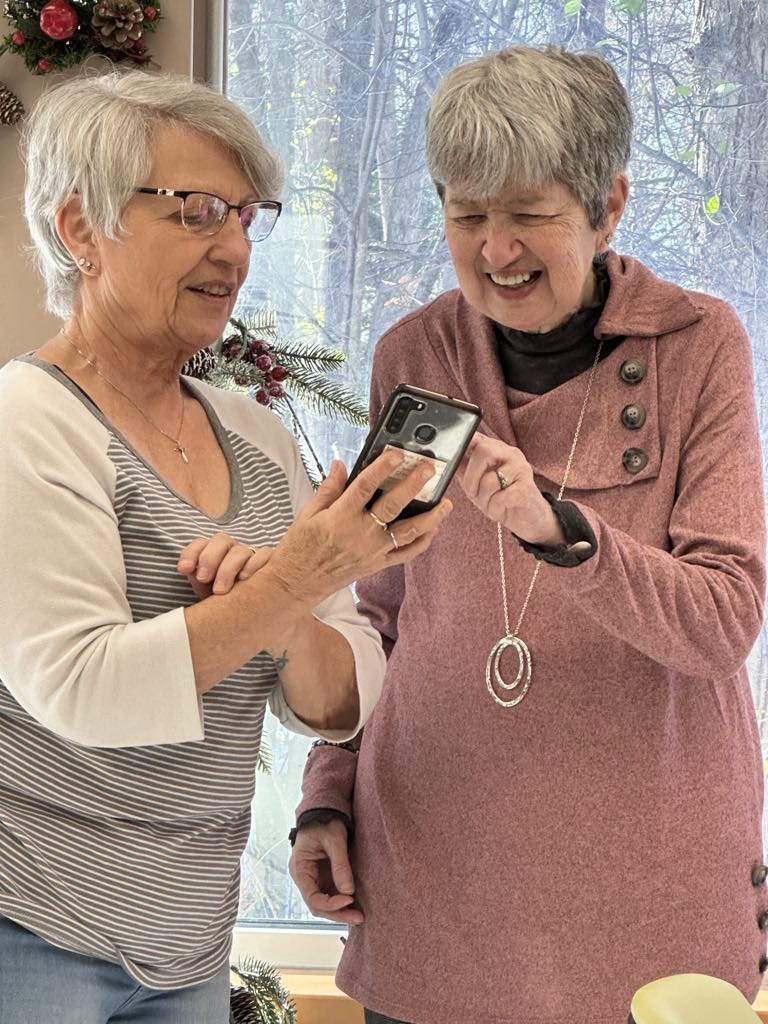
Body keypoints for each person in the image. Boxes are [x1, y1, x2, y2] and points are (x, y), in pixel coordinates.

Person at [288, 44, 768, 1024]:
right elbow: (378, 608)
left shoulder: (698, 344)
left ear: (609, 206)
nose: (496, 249)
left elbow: (724, 619)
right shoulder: (416, 351)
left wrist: (563, 531)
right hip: (436, 864)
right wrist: (327, 792)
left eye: (531, 214)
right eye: (467, 215)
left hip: (648, 877)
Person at [0, 70, 451, 1024]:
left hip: (193, 941)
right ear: (81, 229)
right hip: (29, 931)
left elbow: (343, 702)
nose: (236, 250)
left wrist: (282, 611)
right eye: (198, 211)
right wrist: (299, 576)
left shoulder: (254, 432)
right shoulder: (27, 421)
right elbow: (83, 688)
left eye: (249, 216)